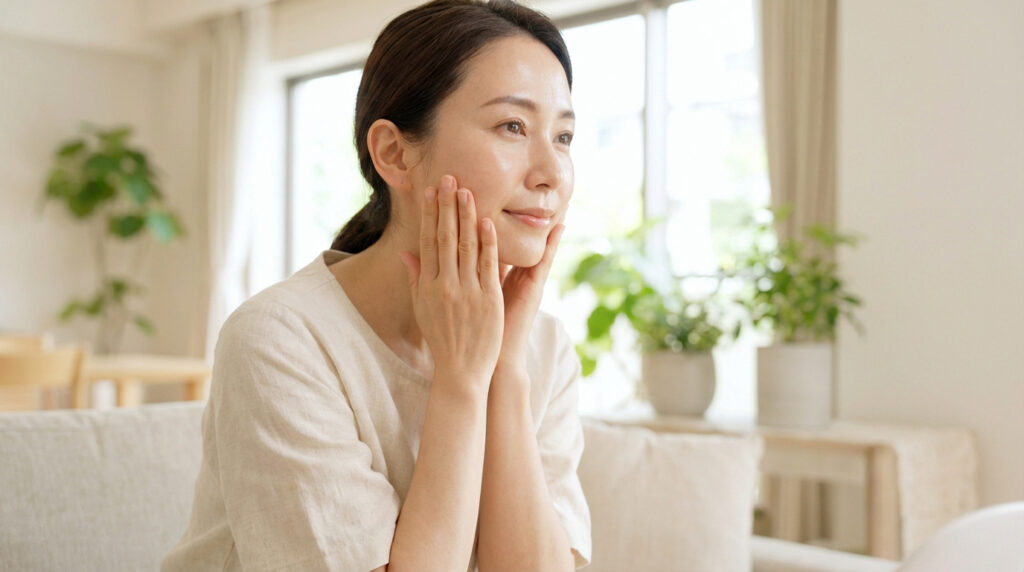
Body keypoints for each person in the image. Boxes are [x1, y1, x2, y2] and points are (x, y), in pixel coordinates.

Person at [162, 0, 591, 570]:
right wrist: (463, 381)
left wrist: (503, 373)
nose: (552, 173)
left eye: (562, 136)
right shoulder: (280, 341)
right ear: (394, 152)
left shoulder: (543, 348)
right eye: (512, 126)